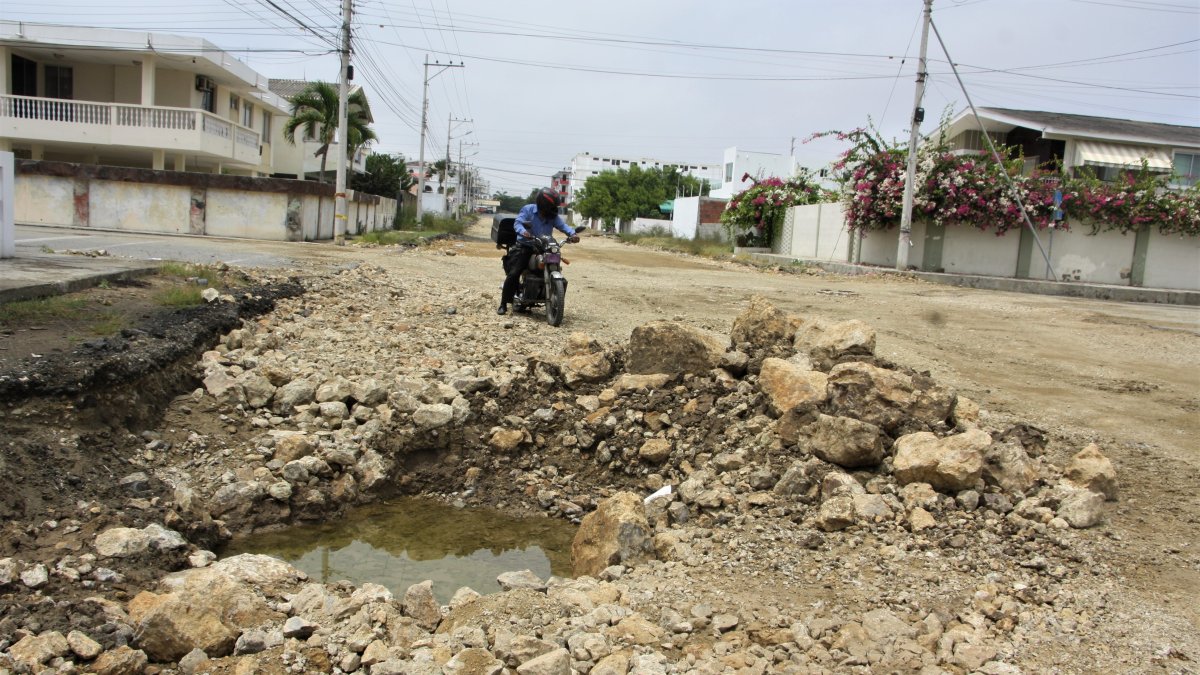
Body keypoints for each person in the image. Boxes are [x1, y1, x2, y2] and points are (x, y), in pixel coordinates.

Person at [498, 188, 579, 315]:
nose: (554, 209)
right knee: (514, 273)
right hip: (526, 246)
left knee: (556, 264)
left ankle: (552, 295)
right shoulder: (528, 210)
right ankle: (503, 303)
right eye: (552, 206)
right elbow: (518, 223)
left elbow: (563, 226)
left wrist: (573, 234)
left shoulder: (552, 216)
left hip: (543, 246)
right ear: (544, 204)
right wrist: (523, 231)